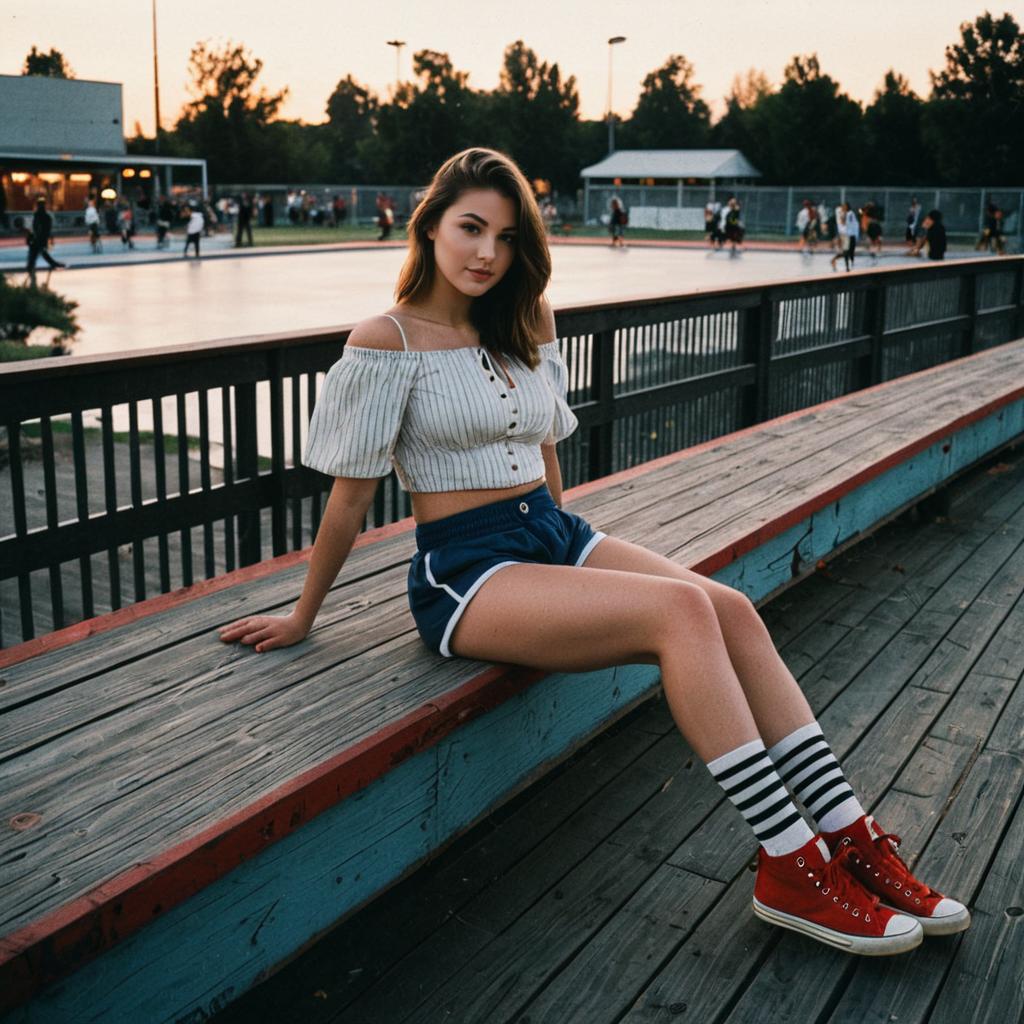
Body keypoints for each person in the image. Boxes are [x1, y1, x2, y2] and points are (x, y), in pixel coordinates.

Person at [217, 146, 971, 956]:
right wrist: (303, 614)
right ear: (430, 224)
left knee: (733, 610)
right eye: (470, 228)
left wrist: (570, 558)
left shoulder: (523, 319)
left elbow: (545, 451)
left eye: (506, 238)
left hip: (548, 535)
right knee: (681, 611)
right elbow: (351, 497)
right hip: (464, 573)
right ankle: (792, 865)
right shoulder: (388, 340)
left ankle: (849, 836)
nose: (486, 254)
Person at [26, 196, 66, 283]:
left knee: (35, 254)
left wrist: (32, 237)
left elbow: (34, 228)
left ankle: (31, 269)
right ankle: (52, 264)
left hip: (36, 239)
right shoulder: (47, 216)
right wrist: (49, 238)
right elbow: (48, 230)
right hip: (42, 239)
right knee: (41, 253)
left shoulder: (36, 215)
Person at [830, 202, 859, 272]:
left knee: (851, 251)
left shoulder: (850, 213)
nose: (844, 208)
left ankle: (850, 265)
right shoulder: (843, 213)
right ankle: (847, 266)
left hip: (852, 234)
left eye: (846, 207)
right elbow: (842, 222)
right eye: (843, 207)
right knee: (847, 250)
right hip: (846, 235)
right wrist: (844, 214)